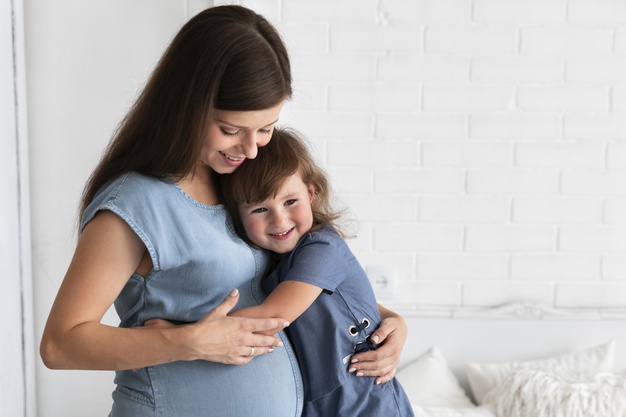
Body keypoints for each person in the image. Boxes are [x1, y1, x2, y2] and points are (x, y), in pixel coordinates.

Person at [39, 5, 408, 417]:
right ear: (187, 106)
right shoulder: (136, 204)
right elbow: (60, 344)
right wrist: (186, 341)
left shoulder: (244, 183)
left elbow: (300, 280)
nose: (250, 149)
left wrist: (389, 323)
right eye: (231, 131)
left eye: (265, 129)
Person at [220, 127, 414, 417]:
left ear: (311, 194)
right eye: (260, 209)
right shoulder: (273, 267)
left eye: (290, 202)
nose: (279, 219)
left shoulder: (322, 248)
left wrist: (183, 332)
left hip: (369, 405)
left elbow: (273, 316)